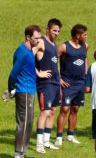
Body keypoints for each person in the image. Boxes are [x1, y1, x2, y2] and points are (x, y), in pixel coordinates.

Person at [8, 25, 42, 158]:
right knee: (23, 122)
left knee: (28, 123)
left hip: (29, 91)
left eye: (39, 38)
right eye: (36, 38)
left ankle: (22, 153)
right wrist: (11, 89)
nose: (38, 41)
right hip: (24, 92)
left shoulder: (29, 51)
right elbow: (13, 74)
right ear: (28, 37)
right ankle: (18, 155)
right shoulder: (22, 52)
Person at [55, 24, 88, 146]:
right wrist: (58, 78)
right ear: (78, 35)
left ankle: (70, 135)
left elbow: (85, 60)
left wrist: (86, 75)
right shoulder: (64, 47)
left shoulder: (85, 45)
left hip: (80, 83)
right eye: (85, 34)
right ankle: (58, 137)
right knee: (64, 109)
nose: (86, 36)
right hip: (67, 83)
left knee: (75, 109)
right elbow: (53, 62)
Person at [34, 18, 62, 153]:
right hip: (45, 83)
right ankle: (39, 144)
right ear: (48, 29)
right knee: (45, 111)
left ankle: (46, 141)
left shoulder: (53, 44)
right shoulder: (41, 42)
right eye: (54, 30)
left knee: (52, 111)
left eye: (58, 31)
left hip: (56, 82)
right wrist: (39, 73)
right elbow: (27, 57)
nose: (56, 33)